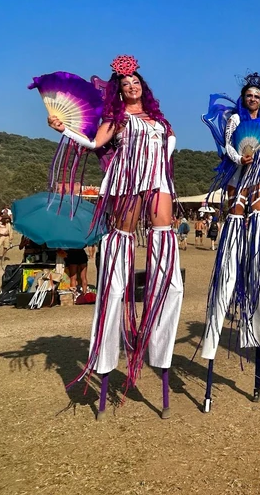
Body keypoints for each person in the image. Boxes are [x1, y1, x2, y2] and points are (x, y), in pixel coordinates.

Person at [44, 54, 183, 419]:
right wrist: (63, 129)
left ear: (143, 86)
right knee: (119, 258)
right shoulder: (116, 118)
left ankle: (157, 343)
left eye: (135, 82)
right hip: (126, 183)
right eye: (125, 84)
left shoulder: (159, 120)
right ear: (119, 91)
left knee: (165, 254)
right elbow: (92, 144)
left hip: (157, 183)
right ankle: (109, 342)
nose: (132, 86)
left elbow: (168, 151)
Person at [199, 72, 260, 412]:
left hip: (258, 184)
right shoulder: (234, 119)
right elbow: (231, 147)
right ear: (242, 97)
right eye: (248, 95)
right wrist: (239, 158)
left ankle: (257, 283)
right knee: (231, 256)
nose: (252, 99)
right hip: (236, 183)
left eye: (256, 96)